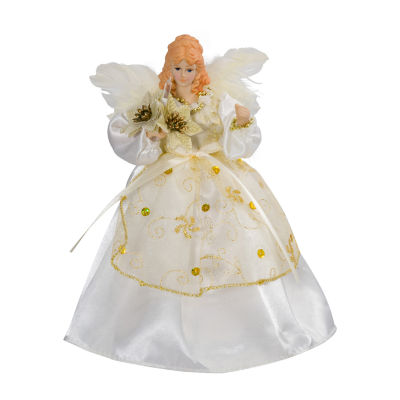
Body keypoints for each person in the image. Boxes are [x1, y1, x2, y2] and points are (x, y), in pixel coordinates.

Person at [64, 34, 336, 373]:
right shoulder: (159, 99)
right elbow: (130, 131)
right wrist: (151, 135)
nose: (183, 74)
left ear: (199, 69)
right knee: (161, 249)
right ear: (169, 68)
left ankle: (236, 325)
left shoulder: (215, 98)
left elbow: (241, 140)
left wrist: (241, 120)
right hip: (169, 181)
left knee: (234, 246)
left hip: (218, 177)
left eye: (189, 68)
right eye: (177, 68)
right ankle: (146, 325)